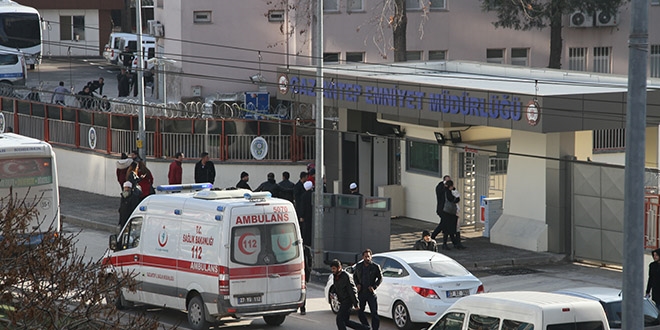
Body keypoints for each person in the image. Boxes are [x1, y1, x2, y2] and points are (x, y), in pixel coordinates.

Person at [330, 259, 370, 330]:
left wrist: (356, 303)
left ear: (339, 268)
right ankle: (365, 328)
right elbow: (336, 287)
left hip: (347, 301)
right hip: (342, 301)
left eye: (334, 268)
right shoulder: (335, 276)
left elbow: (352, 290)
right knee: (346, 321)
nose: (333, 270)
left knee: (339, 320)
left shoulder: (346, 276)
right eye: (332, 269)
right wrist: (332, 293)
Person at [353, 249, 382, 330]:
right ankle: (366, 326)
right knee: (360, 311)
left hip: (370, 293)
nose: (367, 258)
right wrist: (357, 284)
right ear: (363, 257)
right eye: (365, 257)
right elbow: (355, 276)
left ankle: (375, 328)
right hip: (361, 292)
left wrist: (374, 286)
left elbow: (380, 278)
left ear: (371, 257)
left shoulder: (375, 267)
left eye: (368, 256)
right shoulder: (359, 266)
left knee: (374, 313)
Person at [440, 180, 464, 250]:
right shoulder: (448, 192)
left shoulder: (447, 191)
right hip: (449, 213)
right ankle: (447, 244)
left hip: (449, 212)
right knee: (449, 229)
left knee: (450, 229)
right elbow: (454, 199)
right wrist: (456, 198)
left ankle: (454, 243)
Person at [431, 175, 451, 242]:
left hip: (447, 209)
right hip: (441, 209)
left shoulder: (449, 188)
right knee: (444, 223)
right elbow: (440, 194)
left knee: (445, 223)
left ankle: (446, 239)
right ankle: (433, 236)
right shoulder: (440, 187)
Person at [299, 181, 314, 246]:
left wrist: (301, 216)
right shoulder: (314, 194)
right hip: (312, 214)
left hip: (306, 215)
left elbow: (302, 206)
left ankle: (306, 242)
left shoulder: (303, 195)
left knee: (306, 229)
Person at [300, 244, 313, 315]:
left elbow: (310, 260)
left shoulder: (306, 249)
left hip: (304, 272)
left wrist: (309, 270)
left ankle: (303, 308)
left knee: (303, 290)